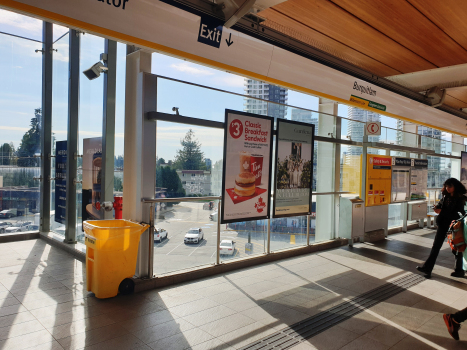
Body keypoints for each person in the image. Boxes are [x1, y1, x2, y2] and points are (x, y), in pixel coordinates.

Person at [416, 178, 466, 278]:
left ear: (455, 187)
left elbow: (459, 213)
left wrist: (441, 211)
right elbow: (440, 207)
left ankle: (459, 270)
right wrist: (437, 209)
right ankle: (427, 268)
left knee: (456, 248)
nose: (447, 188)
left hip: (454, 226)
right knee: (436, 247)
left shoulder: (461, 198)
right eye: (446, 186)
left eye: (450, 186)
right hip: (443, 224)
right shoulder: (445, 196)